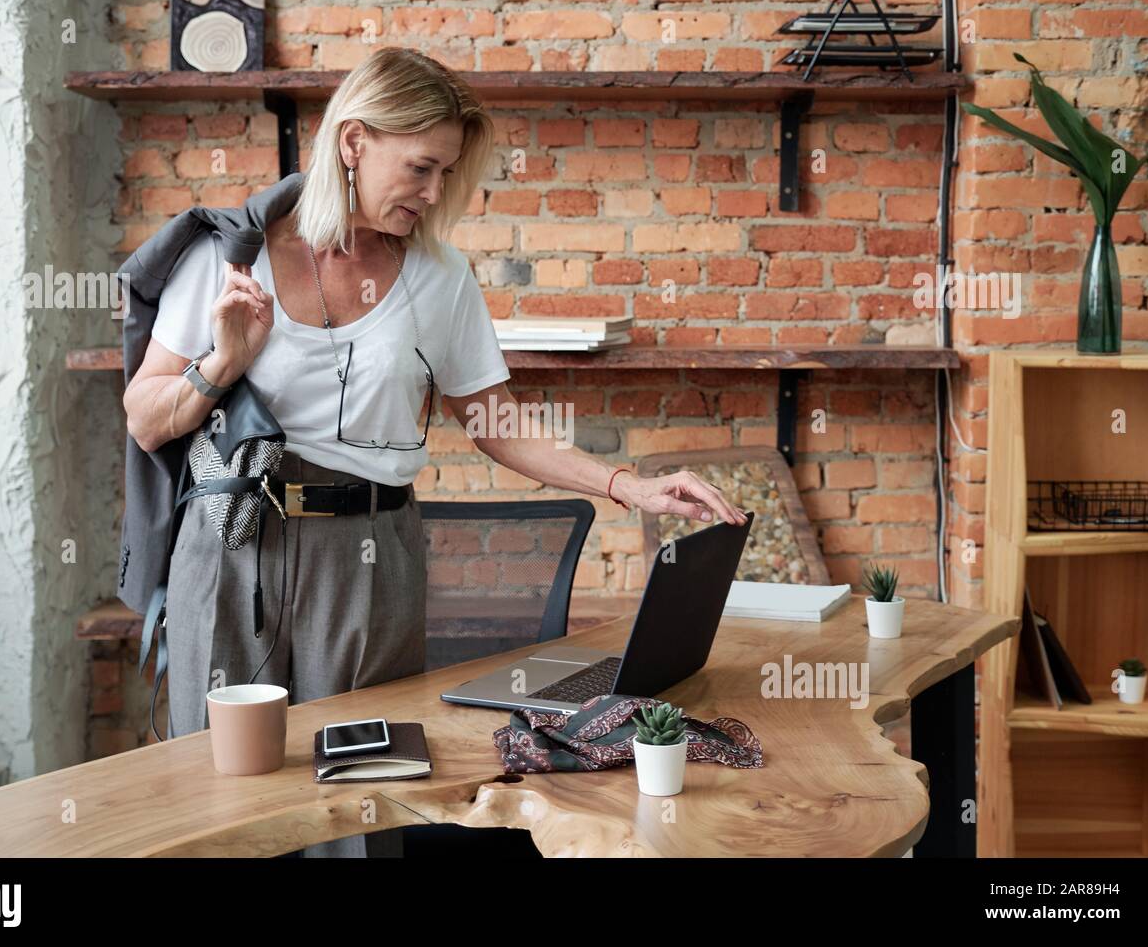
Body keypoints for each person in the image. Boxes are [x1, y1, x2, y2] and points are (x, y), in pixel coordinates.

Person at [121, 46, 746, 857]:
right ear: (354, 143)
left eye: (447, 174)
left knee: (364, 810)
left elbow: (496, 422)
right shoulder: (227, 256)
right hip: (235, 552)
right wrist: (221, 366)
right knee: (222, 805)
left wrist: (629, 484)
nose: (433, 193)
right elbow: (145, 418)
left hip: (369, 562)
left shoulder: (439, 278)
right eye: (419, 168)